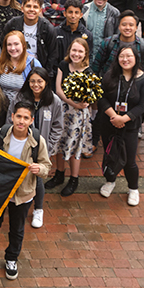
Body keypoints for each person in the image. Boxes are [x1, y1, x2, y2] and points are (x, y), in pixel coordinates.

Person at [0, 100, 51, 280]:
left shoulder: (37, 141)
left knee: (17, 229)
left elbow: (46, 166)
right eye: (18, 116)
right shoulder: (1, 135)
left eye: (26, 118)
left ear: (31, 120)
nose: (21, 121)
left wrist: (38, 169)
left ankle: (11, 258)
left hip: (23, 194)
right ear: (12, 117)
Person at [96, 46, 144, 205]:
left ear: (136, 58)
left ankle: (133, 188)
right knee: (110, 154)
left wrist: (124, 119)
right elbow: (101, 98)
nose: (125, 59)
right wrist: (114, 116)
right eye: (122, 56)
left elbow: (143, 105)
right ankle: (110, 181)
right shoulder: (110, 75)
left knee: (129, 160)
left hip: (130, 127)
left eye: (129, 56)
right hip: (109, 123)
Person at [18, 67, 62, 228]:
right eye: (32, 81)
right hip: (22, 146)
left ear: (46, 82)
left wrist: (48, 148)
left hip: (42, 148)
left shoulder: (55, 101)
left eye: (40, 81)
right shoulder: (20, 97)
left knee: (38, 178)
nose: (36, 85)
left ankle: (38, 209)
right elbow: (12, 120)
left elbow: (58, 126)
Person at [53, 37, 93, 194]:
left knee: (74, 145)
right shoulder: (63, 65)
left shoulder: (89, 71)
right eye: (74, 50)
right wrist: (72, 103)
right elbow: (58, 89)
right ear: (69, 51)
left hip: (77, 116)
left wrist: (81, 104)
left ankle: (74, 178)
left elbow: (90, 95)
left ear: (85, 54)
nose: (76, 54)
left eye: (80, 51)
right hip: (62, 110)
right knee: (59, 142)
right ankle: (59, 174)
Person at [91, 11, 144, 81]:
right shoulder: (109, 43)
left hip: (135, 86)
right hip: (110, 85)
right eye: (124, 24)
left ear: (136, 27)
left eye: (131, 25)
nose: (127, 28)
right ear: (119, 26)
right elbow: (96, 65)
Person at [3, 0, 54, 70]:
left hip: (38, 68)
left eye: (35, 7)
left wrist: (47, 73)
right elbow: (3, 45)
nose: (31, 9)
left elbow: (53, 54)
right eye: (28, 6)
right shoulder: (12, 24)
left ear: (40, 10)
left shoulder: (47, 28)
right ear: (22, 8)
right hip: (14, 66)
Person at [0, 31, 42, 109]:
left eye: (16, 44)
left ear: (23, 45)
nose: (13, 48)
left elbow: (41, 88)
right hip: (2, 109)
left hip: (24, 109)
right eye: (9, 45)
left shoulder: (33, 63)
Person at [49, 0, 89, 76]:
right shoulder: (56, 32)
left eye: (76, 12)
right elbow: (52, 55)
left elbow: (88, 57)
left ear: (81, 15)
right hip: (58, 74)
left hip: (79, 76)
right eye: (70, 12)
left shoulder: (87, 35)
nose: (73, 16)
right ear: (65, 13)